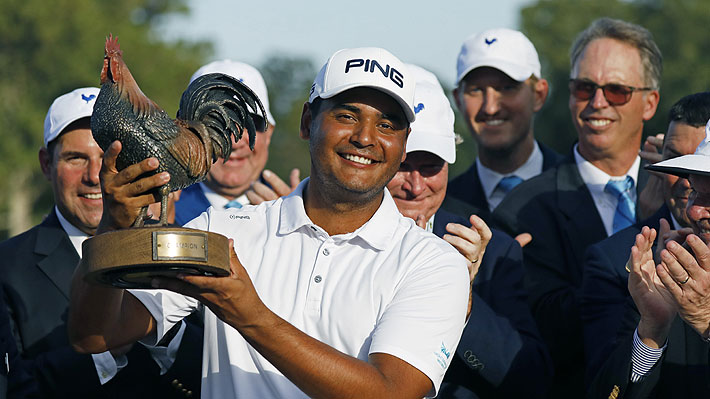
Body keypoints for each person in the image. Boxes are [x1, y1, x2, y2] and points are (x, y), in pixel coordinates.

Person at [69, 48, 470, 398]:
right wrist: (112, 231)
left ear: (404, 147)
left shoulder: (433, 262)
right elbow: (96, 336)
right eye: (347, 115)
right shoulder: (225, 231)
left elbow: (391, 393)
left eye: (387, 125)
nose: (365, 137)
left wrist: (249, 314)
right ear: (308, 121)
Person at [492, 17, 662, 398]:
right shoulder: (522, 209)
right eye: (585, 87)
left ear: (649, 102)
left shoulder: (684, 195)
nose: (597, 102)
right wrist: (642, 227)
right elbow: (552, 333)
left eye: (617, 90)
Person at [0, 88, 201, 398]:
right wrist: (105, 352)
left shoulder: (179, 247)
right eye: (75, 158)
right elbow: (12, 388)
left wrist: (163, 337)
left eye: (111, 156)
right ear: (45, 164)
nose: (96, 175)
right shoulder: (7, 267)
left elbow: (226, 368)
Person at [386, 69, 552, 398]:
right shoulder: (332, 234)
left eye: (431, 166)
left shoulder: (493, 250)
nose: (416, 186)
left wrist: (460, 296)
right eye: (403, 165)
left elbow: (529, 380)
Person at [582, 92, 710, 389]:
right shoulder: (649, 271)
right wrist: (651, 332)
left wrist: (706, 321)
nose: (694, 209)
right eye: (696, 192)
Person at [447, 28, 562, 221]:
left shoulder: (583, 190)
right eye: (476, 90)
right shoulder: (443, 206)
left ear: (539, 95)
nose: (490, 107)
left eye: (507, 88)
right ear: (458, 100)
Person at [174, 60, 299, 225]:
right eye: (217, 123)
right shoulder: (157, 207)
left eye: (250, 124)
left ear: (269, 134)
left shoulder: (296, 213)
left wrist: (297, 230)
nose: (234, 142)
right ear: (188, 133)